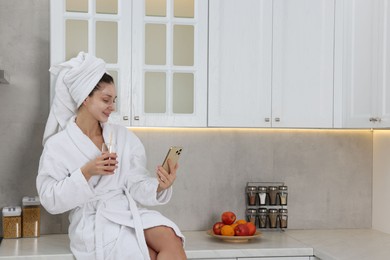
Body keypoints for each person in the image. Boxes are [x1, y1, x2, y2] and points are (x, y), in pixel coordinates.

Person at [36, 52, 187, 260]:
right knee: (147, 254)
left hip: (125, 210)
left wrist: (160, 186)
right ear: (85, 98)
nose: (112, 107)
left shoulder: (122, 136)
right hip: (93, 221)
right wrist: (87, 171)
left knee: (172, 237)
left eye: (114, 100)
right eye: (106, 99)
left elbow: (134, 183)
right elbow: (50, 200)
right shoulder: (58, 145)